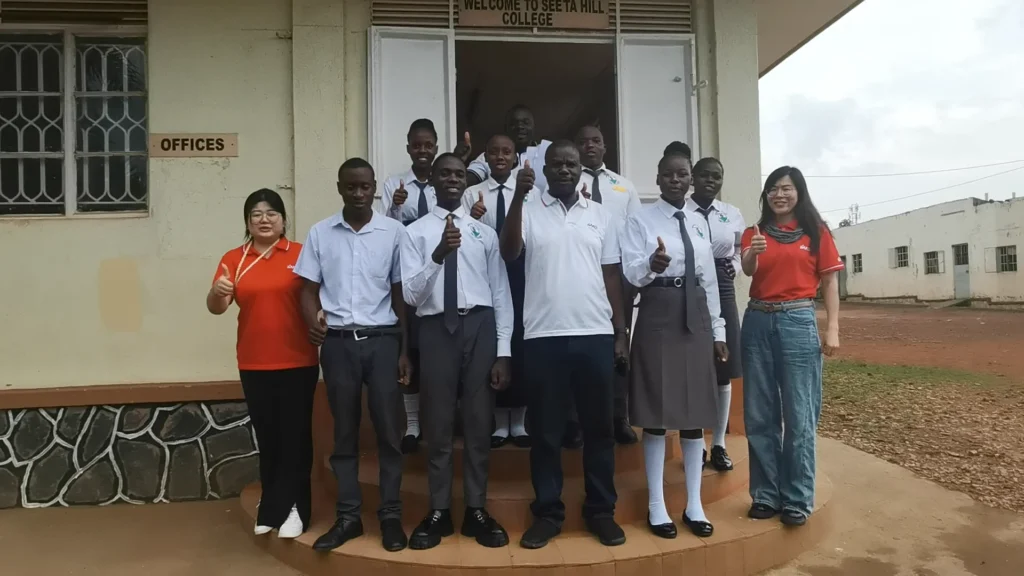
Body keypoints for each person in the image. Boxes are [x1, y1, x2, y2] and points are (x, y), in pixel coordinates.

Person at [499, 140, 630, 549]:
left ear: (580, 169)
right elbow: (509, 252)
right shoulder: (528, 209)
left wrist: (621, 332)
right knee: (546, 432)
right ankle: (548, 514)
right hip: (543, 337)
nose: (564, 170)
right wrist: (518, 196)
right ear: (545, 169)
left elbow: (611, 275)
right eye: (556, 164)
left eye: (571, 164)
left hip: (595, 334)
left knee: (599, 430)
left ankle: (601, 511)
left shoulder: (601, 215)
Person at [295, 158, 412, 553]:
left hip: (383, 342)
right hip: (339, 344)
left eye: (365, 187)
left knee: (389, 432)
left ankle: (390, 516)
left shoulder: (393, 232)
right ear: (340, 188)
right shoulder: (320, 233)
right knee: (344, 433)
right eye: (351, 187)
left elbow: (400, 294)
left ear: (375, 189)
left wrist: (404, 349)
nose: (358, 193)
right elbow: (307, 289)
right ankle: (348, 518)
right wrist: (312, 321)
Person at [401, 153, 514, 550]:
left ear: (466, 182)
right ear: (432, 180)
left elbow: (500, 293)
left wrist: (503, 351)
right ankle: (438, 510)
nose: (452, 179)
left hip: (479, 326)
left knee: (479, 422)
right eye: (445, 173)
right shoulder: (414, 233)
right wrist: (437, 255)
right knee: (438, 421)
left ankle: (476, 509)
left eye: (459, 174)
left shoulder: (484, 233)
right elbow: (410, 296)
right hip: (436, 328)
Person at [620, 150, 728, 539]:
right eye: (668, 174)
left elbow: (709, 278)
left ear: (690, 180)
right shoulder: (640, 219)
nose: (676, 180)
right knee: (656, 410)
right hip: (658, 311)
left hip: (694, 313)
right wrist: (652, 265)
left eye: (682, 174)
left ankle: (694, 504)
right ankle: (656, 504)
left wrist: (718, 331)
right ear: (658, 178)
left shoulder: (698, 222)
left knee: (694, 410)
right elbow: (630, 272)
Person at [207, 189, 320, 540]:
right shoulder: (234, 259)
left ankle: (297, 507)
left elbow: (319, 296)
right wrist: (217, 292)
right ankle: (272, 505)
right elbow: (217, 307)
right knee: (268, 436)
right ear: (247, 222)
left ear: (283, 220)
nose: (264, 219)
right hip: (254, 362)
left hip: (298, 359)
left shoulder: (301, 254)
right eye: (256, 213)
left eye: (272, 213)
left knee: (295, 436)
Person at [740, 166, 843, 527]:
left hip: (798, 320)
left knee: (800, 413)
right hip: (757, 320)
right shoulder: (754, 233)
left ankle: (797, 498)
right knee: (759, 413)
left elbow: (830, 282)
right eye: (773, 189)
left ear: (799, 193)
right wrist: (752, 253)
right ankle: (766, 495)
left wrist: (832, 328)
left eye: (786, 189)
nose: (779, 195)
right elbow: (748, 270)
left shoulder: (817, 233)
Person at [462, 134, 539, 448]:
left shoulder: (532, 193)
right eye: (493, 151)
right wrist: (472, 219)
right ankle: (498, 422)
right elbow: (461, 234)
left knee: (519, 339)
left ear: (515, 157)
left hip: (521, 272)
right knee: (492, 341)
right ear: (486, 156)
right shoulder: (471, 193)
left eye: (506, 152)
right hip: (483, 271)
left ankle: (518, 422)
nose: (500, 157)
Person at [575, 124, 642, 447]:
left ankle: (619, 416)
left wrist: (637, 276)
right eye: (583, 142)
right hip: (581, 275)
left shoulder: (623, 186)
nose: (590, 146)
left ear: (605, 147)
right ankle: (575, 420)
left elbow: (638, 231)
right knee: (579, 346)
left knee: (619, 343)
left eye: (596, 141)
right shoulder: (567, 183)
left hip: (618, 275)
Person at [377, 118, 440, 455]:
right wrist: (395, 206)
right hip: (408, 274)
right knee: (409, 345)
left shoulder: (445, 181)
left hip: (443, 274)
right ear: (408, 148)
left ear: (436, 147)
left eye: (428, 144)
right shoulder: (393, 184)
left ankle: (443, 419)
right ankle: (413, 425)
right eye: (417, 145)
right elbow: (385, 231)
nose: (422, 150)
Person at [684, 157, 745, 471]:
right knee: (694, 365)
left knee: (723, 364)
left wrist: (734, 266)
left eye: (717, 176)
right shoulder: (681, 210)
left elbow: (740, 248)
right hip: (690, 285)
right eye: (704, 175)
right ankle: (696, 444)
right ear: (693, 177)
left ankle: (719, 443)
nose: (711, 180)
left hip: (722, 284)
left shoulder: (731, 213)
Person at [460, 105, 552, 191]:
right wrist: (459, 160)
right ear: (506, 128)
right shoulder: (491, 155)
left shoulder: (548, 151)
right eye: (514, 123)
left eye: (526, 122)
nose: (520, 126)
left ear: (533, 126)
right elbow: (464, 181)